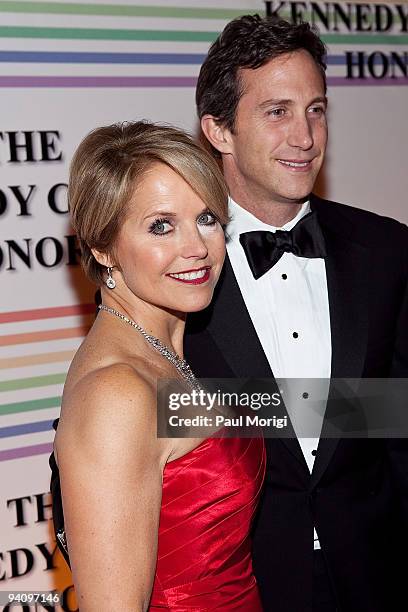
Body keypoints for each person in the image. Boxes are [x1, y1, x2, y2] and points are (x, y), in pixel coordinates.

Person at [184, 14, 408, 612]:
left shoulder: (387, 252)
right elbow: (154, 424)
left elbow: (399, 423)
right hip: (242, 588)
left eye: (316, 109)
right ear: (220, 130)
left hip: (376, 577)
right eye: (277, 111)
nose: (306, 137)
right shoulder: (172, 269)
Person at [49, 121, 266, 611]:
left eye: (207, 218)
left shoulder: (164, 356)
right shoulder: (118, 394)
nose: (197, 248)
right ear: (102, 247)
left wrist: (384, 409)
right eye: (161, 226)